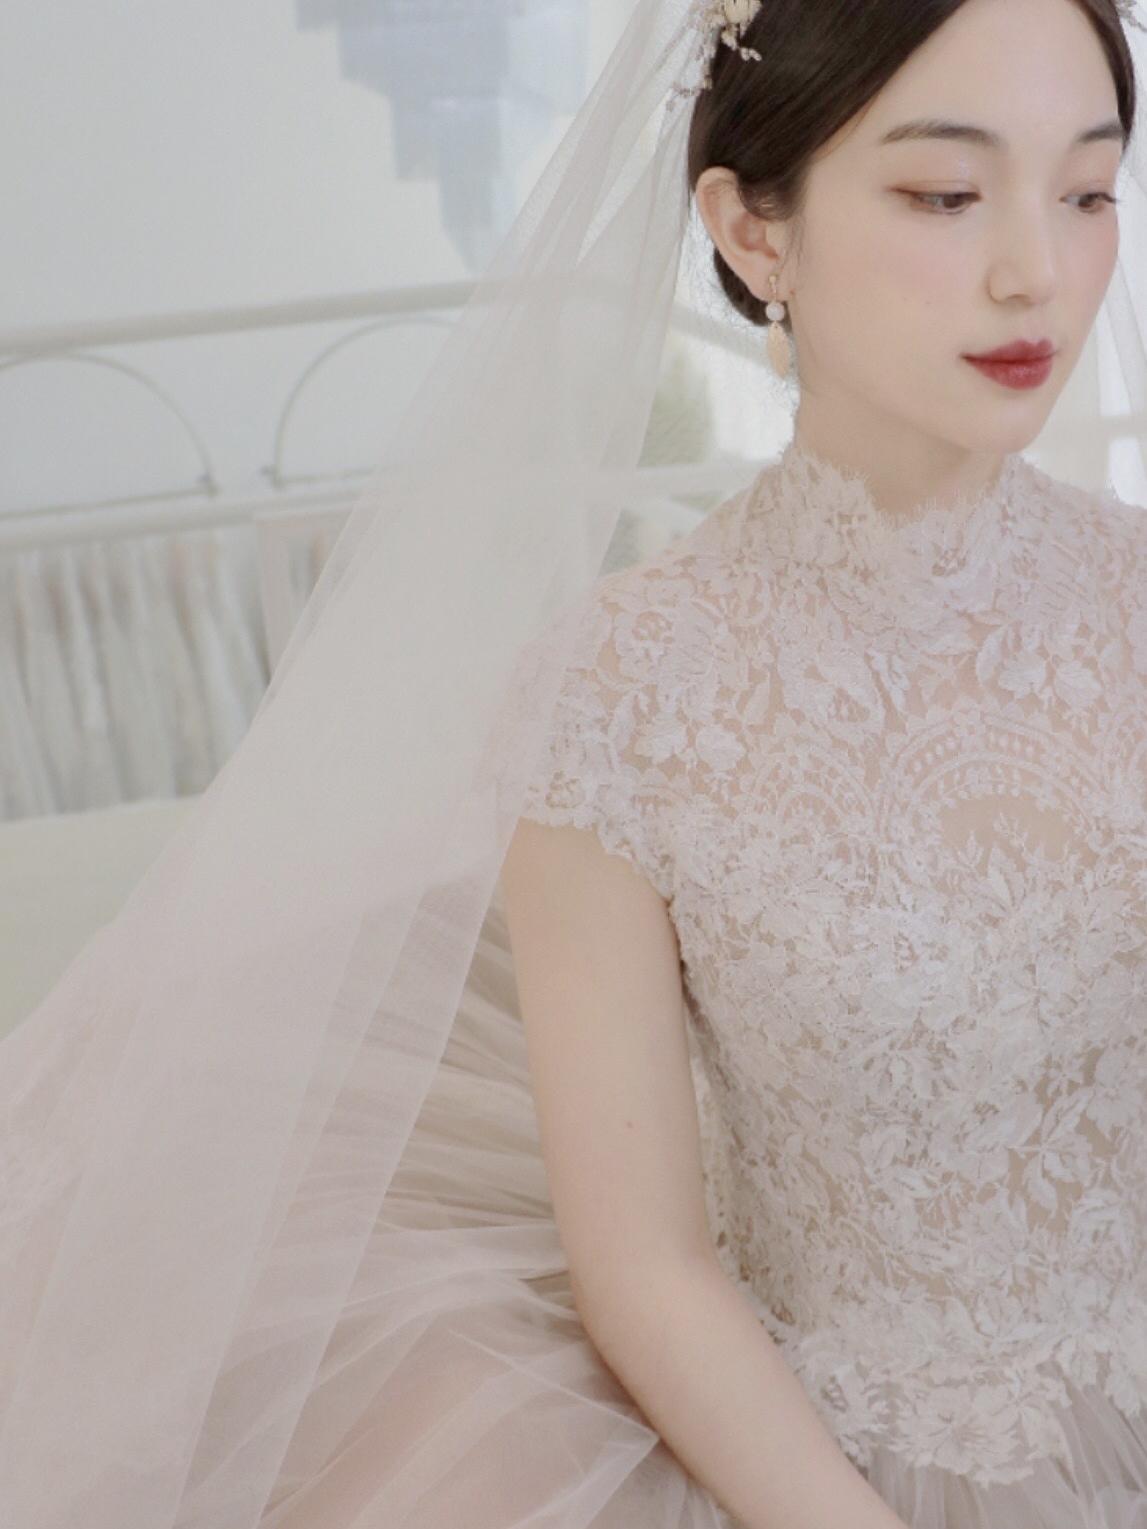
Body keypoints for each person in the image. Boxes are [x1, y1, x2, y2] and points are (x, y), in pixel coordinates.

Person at [2, 0, 1147, 1526]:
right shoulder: (619, 693)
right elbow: (649, 1272)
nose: (1037, 271)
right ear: (751, 230)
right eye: (946, 193)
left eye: (1087, 192)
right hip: (832, 1452)